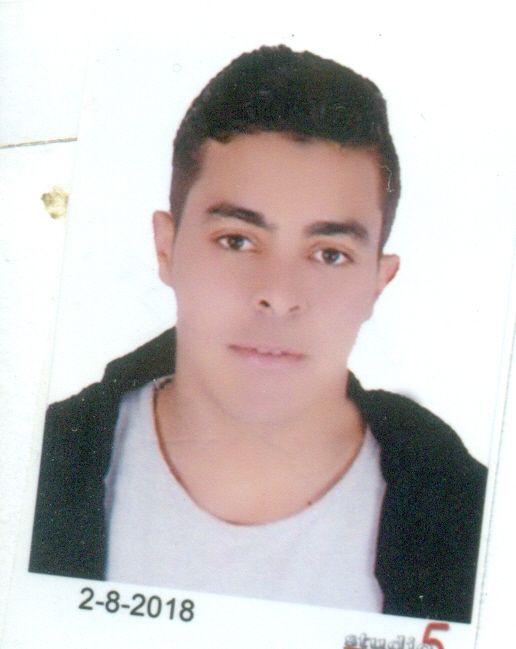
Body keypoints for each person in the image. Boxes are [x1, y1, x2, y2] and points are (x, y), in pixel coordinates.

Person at [29, 45, 486, 623]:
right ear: (167, 249)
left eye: (329, 253)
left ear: (379, 281)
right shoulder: (34, 465)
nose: (279, 293)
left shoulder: (473, 518)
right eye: (238, 240)